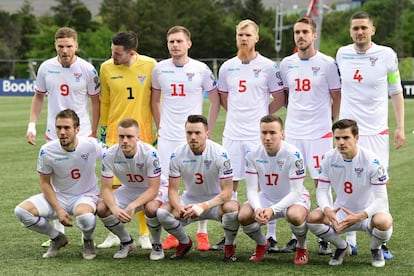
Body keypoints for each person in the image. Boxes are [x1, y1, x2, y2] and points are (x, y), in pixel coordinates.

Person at [336, 11, 405, 259]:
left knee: (379, 185)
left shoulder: (387, 55)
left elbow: (396, 91)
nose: (359, 32)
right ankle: (350, 240)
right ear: (350, 31)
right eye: (355, 28)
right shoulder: (341, 54)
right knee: (346, 183)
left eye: (364, 27)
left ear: (372, 30)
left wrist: (399, 127)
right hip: (348, 133)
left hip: (377, 132)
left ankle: (380, 241)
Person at [25, 27, 100, 247]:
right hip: (54, 132)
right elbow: (38, 97)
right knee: (55, 178)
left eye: (69, 46)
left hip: (83, 132)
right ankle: (57, 228)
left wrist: (94, 131)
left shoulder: (87, 69)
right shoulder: (46, 68)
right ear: (55, 46)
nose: (65, 50)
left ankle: (95, 225)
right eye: (60, 46)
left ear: (76, 45)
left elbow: (96, 101)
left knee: (90, 178)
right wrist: (32, 125)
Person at [215, 19, 285, 251]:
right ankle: (229, 236)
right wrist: (238, 114)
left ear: (256, 38)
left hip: (258, 135)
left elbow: (280, 97)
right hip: (233, 134)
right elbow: (223, 98)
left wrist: (263, 115)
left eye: (247, 35)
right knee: (230, 185)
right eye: (240, 35)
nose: (243, 38)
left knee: (267, 182)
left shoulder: (267, 66)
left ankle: (271, 236)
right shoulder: (226, 67)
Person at [151, 25, 220, 251]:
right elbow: (154, 101)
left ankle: (202, 233)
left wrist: (205, 130)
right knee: (168, 182)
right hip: (169, 136)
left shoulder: (201, 69)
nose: (175, 45)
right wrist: (162, 125)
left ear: (188, 43)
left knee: (199, 181)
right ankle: (174, 230)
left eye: (179, 41)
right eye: (171, 41)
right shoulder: (159, 69)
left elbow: (215, 100)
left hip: (194, 135)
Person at [279, 16, 341, 255]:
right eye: (297, 32)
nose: (301, 36)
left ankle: (324, 235)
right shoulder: (286, 64)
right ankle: (298, 236)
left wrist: (332, 124)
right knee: (291, 184)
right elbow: (286, 95)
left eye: (305, 32)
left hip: (320, 134)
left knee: (321, 183)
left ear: (314, 35)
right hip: (293, 133)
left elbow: (337, 96)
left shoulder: (327, 63)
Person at [15, 109, 106, 259]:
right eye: (58, 128)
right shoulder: (47, 151)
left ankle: (88, 240)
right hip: (60, 196)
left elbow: (113, 156)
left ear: (77, 129)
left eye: (67, 128)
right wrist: (58, 209)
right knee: (21, 211)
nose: (62, 132)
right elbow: (44, 183)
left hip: (85, 195)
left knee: (85, 217)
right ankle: (57, 237)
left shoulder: (91, 145)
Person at [98, 30, 157, 249]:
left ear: (131, 52)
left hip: (143, 136)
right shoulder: (106, 68)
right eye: (112, 52)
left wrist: (158, 130)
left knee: (140, 185)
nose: (113, 57)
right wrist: (103, 131)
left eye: (117, 54)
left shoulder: (150, 65)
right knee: (112, 186)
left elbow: (157, 99)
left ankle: (144, 234)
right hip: (114, 135)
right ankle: (114, 233)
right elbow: (104, 102)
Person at [307, 119, 393, 267]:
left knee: (384, 221)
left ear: (356, 138)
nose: (341, 142)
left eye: (346, 137)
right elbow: (321, 190)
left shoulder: (372, 161)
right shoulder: (328, 158)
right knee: (313, 218)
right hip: (342, 214)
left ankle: (375, 248)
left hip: (368, 214)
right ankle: (342, 247)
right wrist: (328, 210)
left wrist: (360, 216)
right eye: (337, 138)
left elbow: (381, 199)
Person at [155, 115, 239, 261]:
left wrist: (203, 206)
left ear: (207, 134)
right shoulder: (177, 155)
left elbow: (227, 192)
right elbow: (173, 190)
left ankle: (229, 246)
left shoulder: (220, 153)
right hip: (190, 201)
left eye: (197, 133)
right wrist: (179, 206)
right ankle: (184, 242)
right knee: (162, 213)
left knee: (233, 208)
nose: (193, 137)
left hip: (216, 202)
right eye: (189, 133)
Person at [238, 114, 309, 264]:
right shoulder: (252, 154)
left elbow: (296, 192)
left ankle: (302, 248)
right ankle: (262, 244)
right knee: (244, 215)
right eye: (264, 133)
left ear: (282, 134)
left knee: (295, 216)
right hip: (266, 197)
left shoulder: (293, 154)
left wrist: (272, 209)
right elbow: (251, 189)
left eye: (272, 133)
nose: (268, 137)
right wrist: (258, 208)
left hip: (294, 199)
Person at [97, 118, 168, 260]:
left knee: (151, 208)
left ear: (138, 138)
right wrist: (115, 209)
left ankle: (156, 244)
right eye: (121, 136)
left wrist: (132, 206)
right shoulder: (109, 155)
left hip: (156, 187)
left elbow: (153, 189)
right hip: (130, 188)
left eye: (129, 137)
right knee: (102, 208)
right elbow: (105, 189)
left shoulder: (150, 153)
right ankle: (126, 242)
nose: (125, 141)